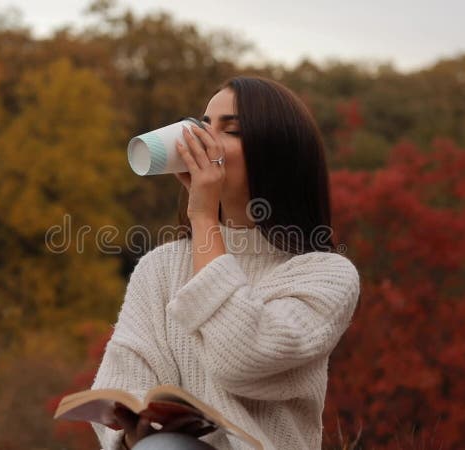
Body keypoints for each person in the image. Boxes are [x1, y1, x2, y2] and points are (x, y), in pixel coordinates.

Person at [91, 76, 361, 449]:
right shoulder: (160, 267)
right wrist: (131, 430)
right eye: (203, 126)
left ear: (276, 152)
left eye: (230, 130)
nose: (203, 142)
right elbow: (123, 374)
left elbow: (242, 357)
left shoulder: (325, 276)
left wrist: (203, 218)